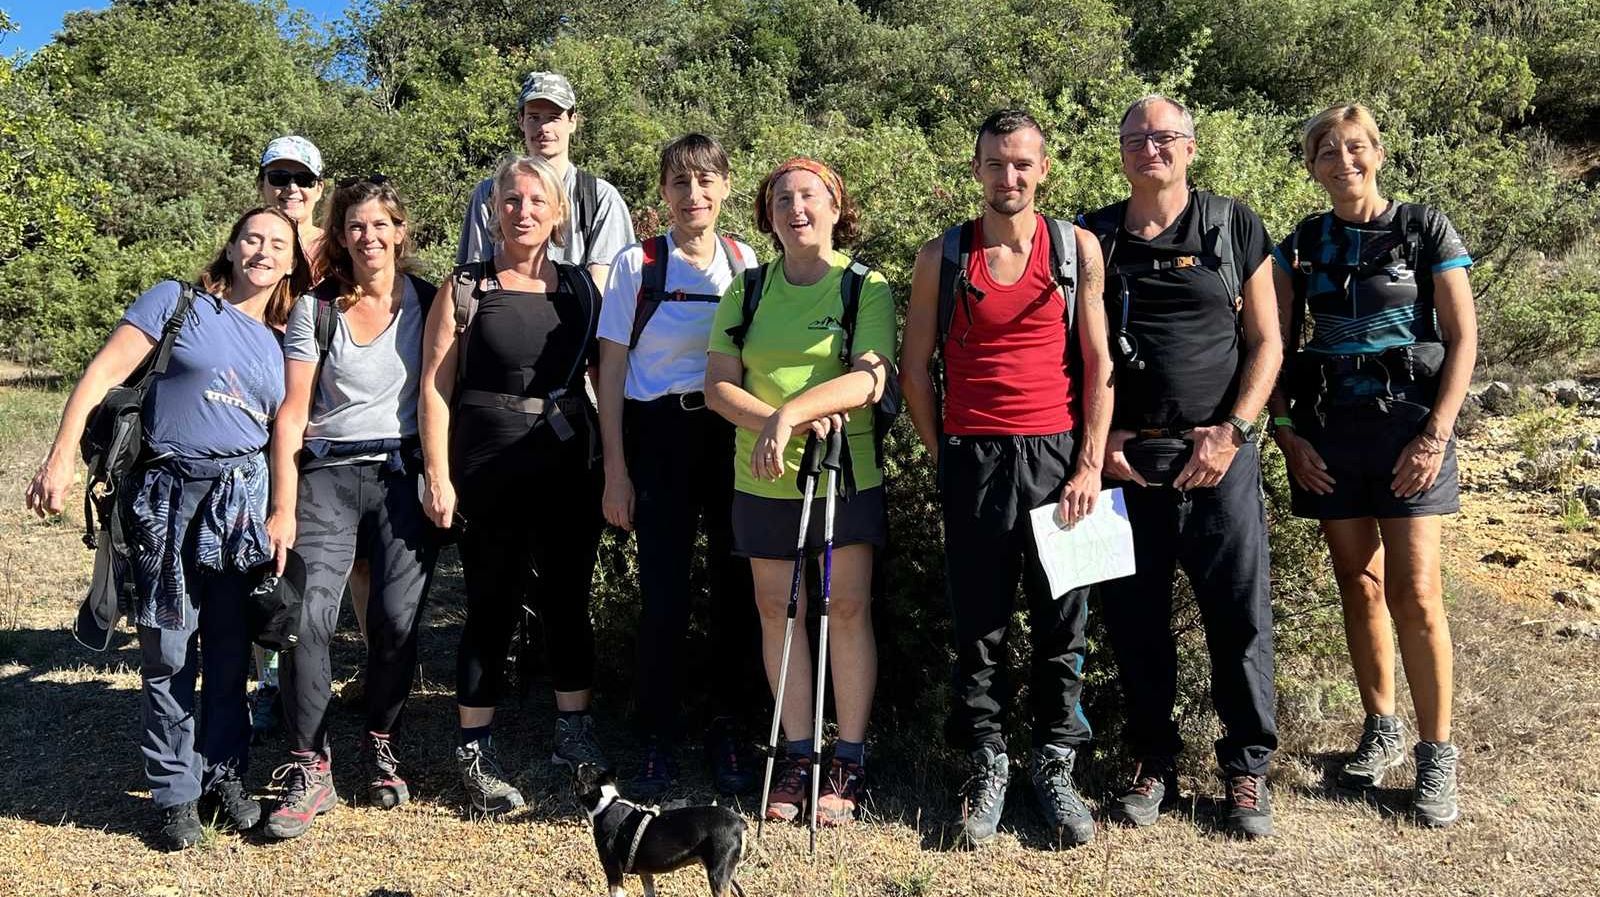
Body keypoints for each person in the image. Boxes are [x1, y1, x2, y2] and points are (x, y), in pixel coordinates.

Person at [25, 207, 308, 850]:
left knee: (233, 652)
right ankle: (176, 792)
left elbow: (283, 431)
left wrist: (279, 510)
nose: (262, 251)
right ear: (232, 247)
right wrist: (62, 455)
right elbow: (101, 374)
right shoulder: (177, 303)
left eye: (277, 244)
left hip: (240, 508)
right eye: (252, 238)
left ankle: (224, 776)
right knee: (170, 650)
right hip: (166, 498)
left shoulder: (283, 339)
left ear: (292, 262)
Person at [899, 109, 1112, 848]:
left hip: (1059, 459)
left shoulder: (1077, 247)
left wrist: (1089, 463)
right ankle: (987, 761)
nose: (1009, 176)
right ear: (976, 170)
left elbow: (1098, 365)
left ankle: (1055, 765)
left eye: (1022, 163)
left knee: (1063, 624)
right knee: (980, 626)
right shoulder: (944, 255)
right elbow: (914, 369)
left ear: (1043, 168)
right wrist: (944, 453)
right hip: (976, 457)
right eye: (995, 163)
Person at [1268, 103, 1476, 828]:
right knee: (1359, 586)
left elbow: (1461, 338)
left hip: (1410, 429)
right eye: (1326, 150)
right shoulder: (1301, 243)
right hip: (1332, 433)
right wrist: (1288, 433)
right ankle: (1380, 727)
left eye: (1355, 147)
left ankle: (1436, 755)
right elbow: (1276, 346)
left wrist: (1437, 435)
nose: (1342, 160)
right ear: (1312, 166)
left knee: (1416, 594)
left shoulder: (1424, 228)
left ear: (1377, 153)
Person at [1080, 95, 1282, 839]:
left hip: (1218, 457)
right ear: (1121, 151)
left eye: (1163, 138)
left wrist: (1231, 432)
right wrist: (1098, 443)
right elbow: (1080, 354)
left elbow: (1267, 342)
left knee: (1238, 613)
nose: (1149, 150)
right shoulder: (1093, 235)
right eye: (1135, 138)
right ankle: (1151, 761)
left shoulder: (1232, 225)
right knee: (1134, 622)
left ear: (1190, 148)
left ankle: (1246, 767)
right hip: (1125, 462)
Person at [705, 157, 895, 827]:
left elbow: (870, 379)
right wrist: (776, 423)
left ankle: (847, 756)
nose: (796, 208)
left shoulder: (863, 287)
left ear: (836, 206)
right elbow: (718, 383)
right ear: (767, 215)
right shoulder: (748, 288)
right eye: (782, 198)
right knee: (773, 609)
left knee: (844, 608)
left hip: (844, 475)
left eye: (809, 195)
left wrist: (789, 415)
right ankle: (796, 753)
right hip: (762, 476)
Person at [421, 154, 607, 817]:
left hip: (567, 466)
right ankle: (474, 749)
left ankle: (574, 735)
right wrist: (437, 474)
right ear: (492, 208)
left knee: (566, 600)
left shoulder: (583, 289)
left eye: (536, 200)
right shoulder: (465, 286)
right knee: (490, 605)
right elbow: (436, 387)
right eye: (510, 199)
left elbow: (605, 380)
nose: (522, 210)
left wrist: (618, 468)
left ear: (557, 213)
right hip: (485, 469)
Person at [261, 177, 440, 839]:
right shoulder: (317, 308)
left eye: (379, 224)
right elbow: (293, 411)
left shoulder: (429, 299)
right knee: (307, 614)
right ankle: (308, 761)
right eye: (355, 226)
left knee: (395, 618)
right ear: (339, 236)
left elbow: (443, 395)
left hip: (402, 469)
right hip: (329, 470)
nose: (368, 237)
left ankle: (380, 741)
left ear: (400, 230)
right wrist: (283, 504)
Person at [595, 134, 762, 799]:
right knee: (663, 595)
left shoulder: (746, 261)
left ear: (725, 186)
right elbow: (609, 373)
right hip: (657, 435)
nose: (693, 194)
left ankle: (728, 729)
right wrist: (615, 469)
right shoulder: (636, 264)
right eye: (679, 182)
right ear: (662, 192)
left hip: (729, 434)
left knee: (736, 588)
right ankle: (657, 736)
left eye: (705, 180)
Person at [251, 134, 377, 738]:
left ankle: (380, 670)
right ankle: (272, 681)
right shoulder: (253, 246)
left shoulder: (340, 250)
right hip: (262, 417)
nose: (290, 190)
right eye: (279, 177)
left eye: (302, 179)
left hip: (331, 428)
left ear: (320, 188)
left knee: (362, 566)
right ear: (262, 183)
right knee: (270, 556)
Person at [457, 71, 635, 288]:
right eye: (534, 117)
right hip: (501, 314)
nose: (544, 128)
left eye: (554, 117)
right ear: (521, 121)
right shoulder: (489, 194)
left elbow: (607, 289)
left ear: (572, 121)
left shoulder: (600, 198)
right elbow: (472, 280)